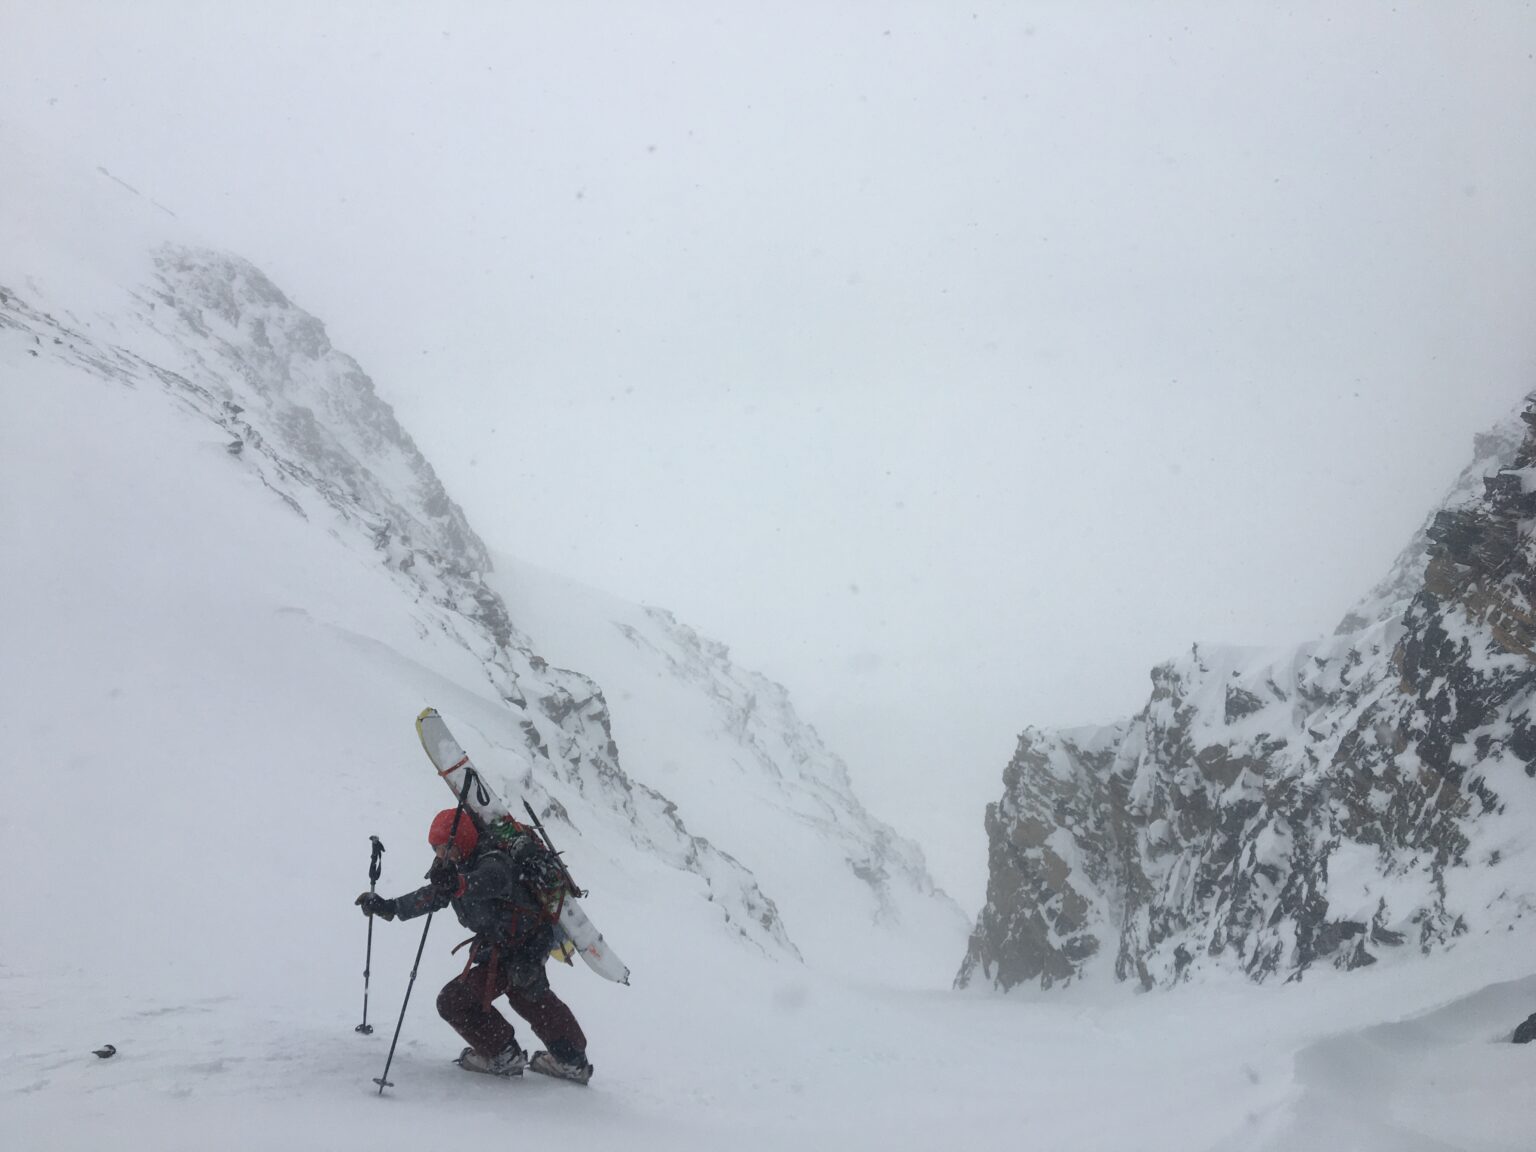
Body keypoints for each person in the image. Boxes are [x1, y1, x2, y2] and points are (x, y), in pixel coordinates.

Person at [355, 808, 594, 1084]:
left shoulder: (493, 860)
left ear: (462, 840)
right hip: (507, 947)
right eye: (436, 848)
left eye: (445, 848)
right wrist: (390, 907)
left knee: (459, 1001)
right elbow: (437, 894)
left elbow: (490, 880)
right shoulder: (457, 866)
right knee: (527, 997)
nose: (440, 855)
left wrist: (458, 883)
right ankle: (567, 1060)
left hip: (524, 947)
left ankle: (508, 1056)